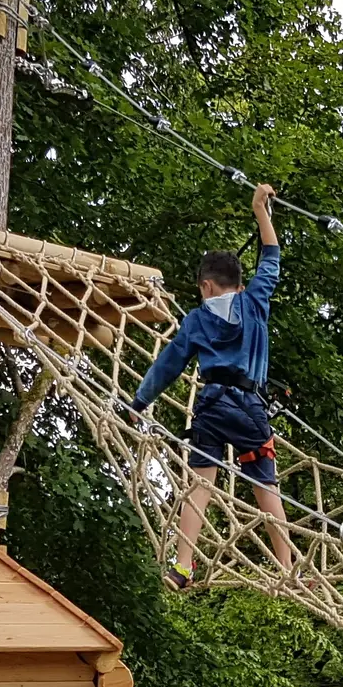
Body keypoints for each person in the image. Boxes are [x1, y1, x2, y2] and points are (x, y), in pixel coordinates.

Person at [124, 182, 294, 589]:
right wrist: (260, 209)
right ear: (238, 281)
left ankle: (184, 566)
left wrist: (138, 402)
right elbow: (271, 258)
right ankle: (287, 567)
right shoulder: (255, 303)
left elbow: (167, 365)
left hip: (212, 409)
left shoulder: (197, 320)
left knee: (198, 484)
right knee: (265, 484)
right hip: (251, 410)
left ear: (205, 286)